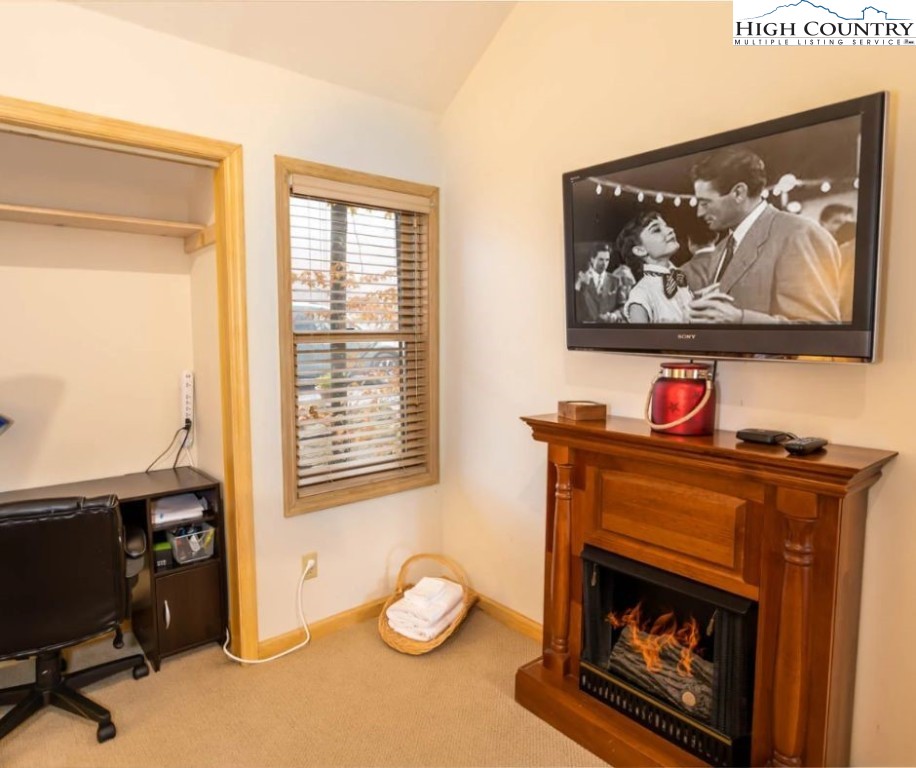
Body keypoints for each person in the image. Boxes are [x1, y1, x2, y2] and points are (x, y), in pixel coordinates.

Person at [683, 147, 842, 324]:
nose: (699, 212)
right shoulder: (722, 249)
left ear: (739, 193)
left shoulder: (798, 234)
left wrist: (740, 319)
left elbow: (819, 329)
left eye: (705, 203)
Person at [615, 212, 693, 323]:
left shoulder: (680, 278)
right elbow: (640, 339)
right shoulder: (641, 294)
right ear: (640, 250)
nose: (670, 230)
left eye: (666, 225)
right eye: (656, 230)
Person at [574, 244, 634, 322]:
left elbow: (623, 306)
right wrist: (578, 285)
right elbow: (574, 307)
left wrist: (614, 315)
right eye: (601, 259)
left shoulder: (615, 280)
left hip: (608, 328)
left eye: (607, 260)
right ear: (592, 259)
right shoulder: (581, 280)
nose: (604, 264)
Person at [819, 203, 856, 321]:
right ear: (822, 224)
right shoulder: (815, 251)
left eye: (847, 222)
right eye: (837, 222)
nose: (843, 227)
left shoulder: (853, 250)